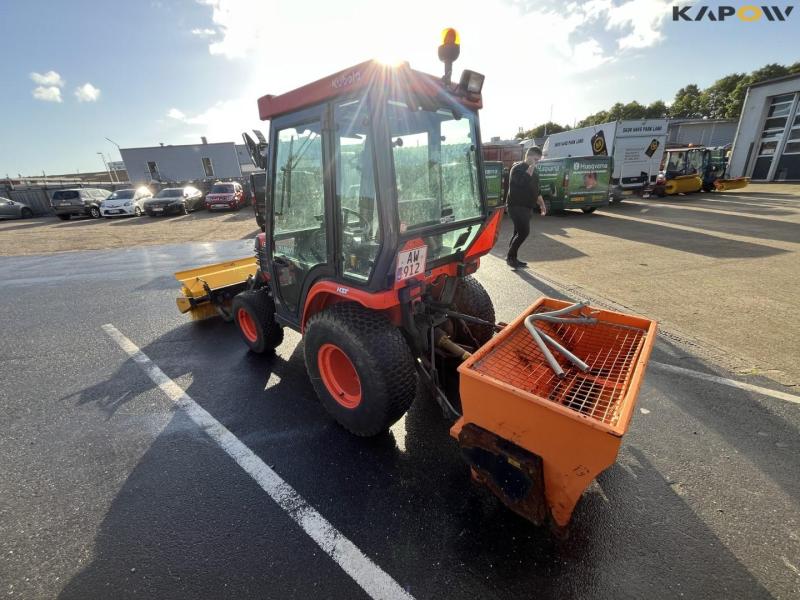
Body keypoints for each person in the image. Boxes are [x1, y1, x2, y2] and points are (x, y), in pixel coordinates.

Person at [506, 146, 546, 269]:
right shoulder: (517, 168)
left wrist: (542, 205)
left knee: (518, 232)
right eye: (535, 159)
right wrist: (531, 167)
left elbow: (537, 190)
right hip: (516, 206)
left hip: (528, 207)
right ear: (528, 156)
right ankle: (510, 258)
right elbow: (522, 182)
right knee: (524, 232)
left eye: (538, 160)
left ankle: (513, 257)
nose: (537, 162)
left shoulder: (535, 171)